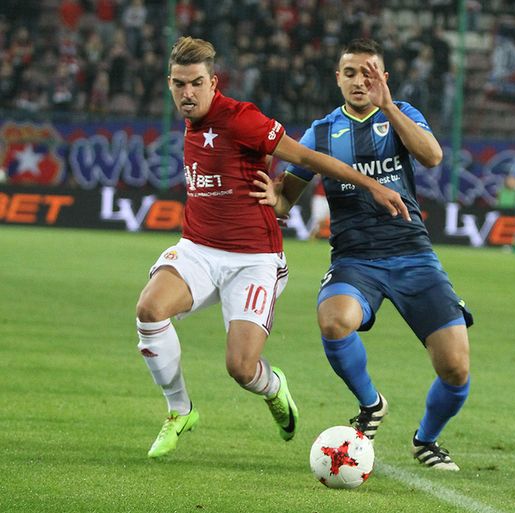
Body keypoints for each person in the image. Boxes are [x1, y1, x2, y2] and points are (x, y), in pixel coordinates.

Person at [135, 36, 409, 459]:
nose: (187, 93)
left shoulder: (241, 118)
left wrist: (370, 184)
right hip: (197, 249)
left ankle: (274, 388)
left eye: (196, 83)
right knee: (149, 310)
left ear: (213, 83)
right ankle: (180, 410)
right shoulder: (192, 121)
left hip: (253, 259)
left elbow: (307, 157)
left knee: (241, 368)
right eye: (179, 84)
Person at [253, 39, 472, 471]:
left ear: (383, 79)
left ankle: (426, 440)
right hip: (355, 260)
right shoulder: (320, 132)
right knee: (333, 320)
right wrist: (269, 196)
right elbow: (286, 200)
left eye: (368, 73)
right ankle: (371, 404)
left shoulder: (402, 114)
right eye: (350, 73)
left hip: (413, 255)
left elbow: (432, 156)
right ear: (338, 78)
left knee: (456, 368)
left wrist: (387, 105)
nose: (359, 81)